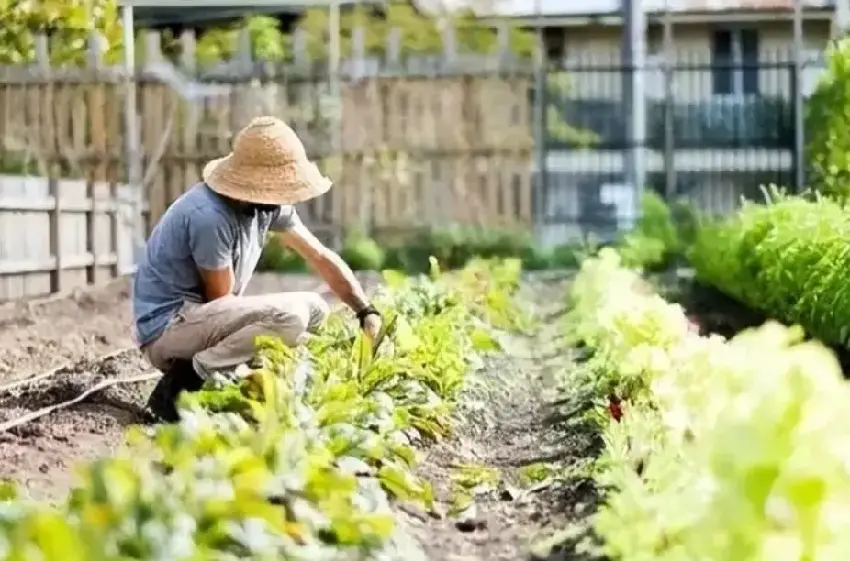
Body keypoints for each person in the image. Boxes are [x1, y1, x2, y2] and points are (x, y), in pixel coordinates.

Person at [132, 116, 382, 420]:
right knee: (289, 319)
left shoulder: (265, 208)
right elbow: (220, 301)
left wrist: (365, 310)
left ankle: (229, 376)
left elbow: (318, 255)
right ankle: (183, 384)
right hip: (168, 330)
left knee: (316, 308)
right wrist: (284, 342)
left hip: (203, 320)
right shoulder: (209, 216)